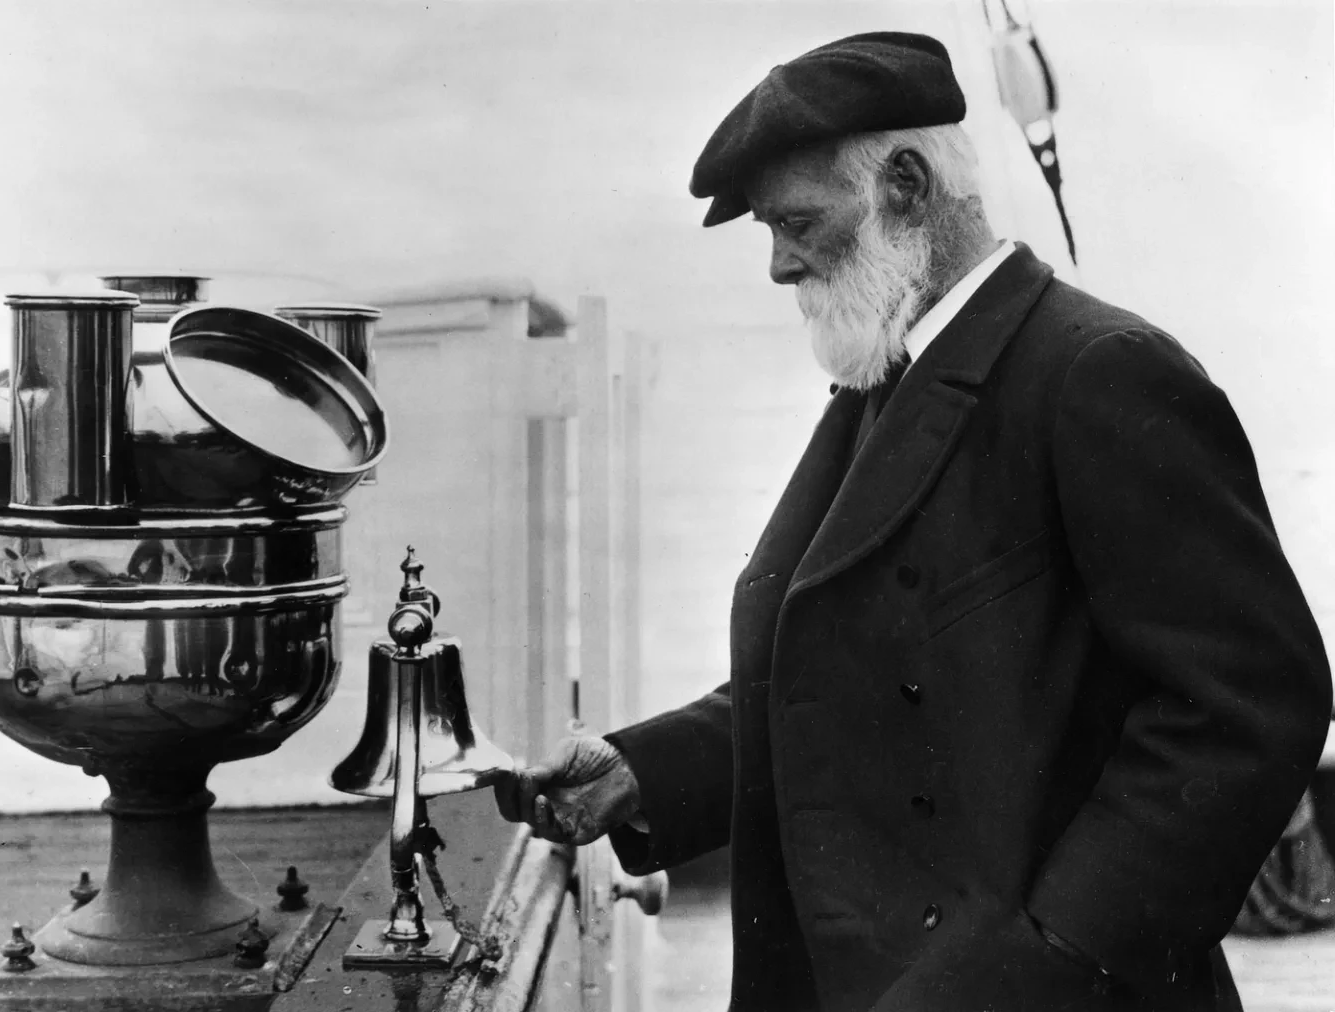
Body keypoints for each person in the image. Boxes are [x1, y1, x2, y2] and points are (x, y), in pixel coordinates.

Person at [494, 31, 1331, 1012]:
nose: (778, 265)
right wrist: (644, 771)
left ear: (905, 186)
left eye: (796, 222)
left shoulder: (1101, 369)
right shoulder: (886, 377)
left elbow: (1247, 710)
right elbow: (835, 677)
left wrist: (1048, 960)